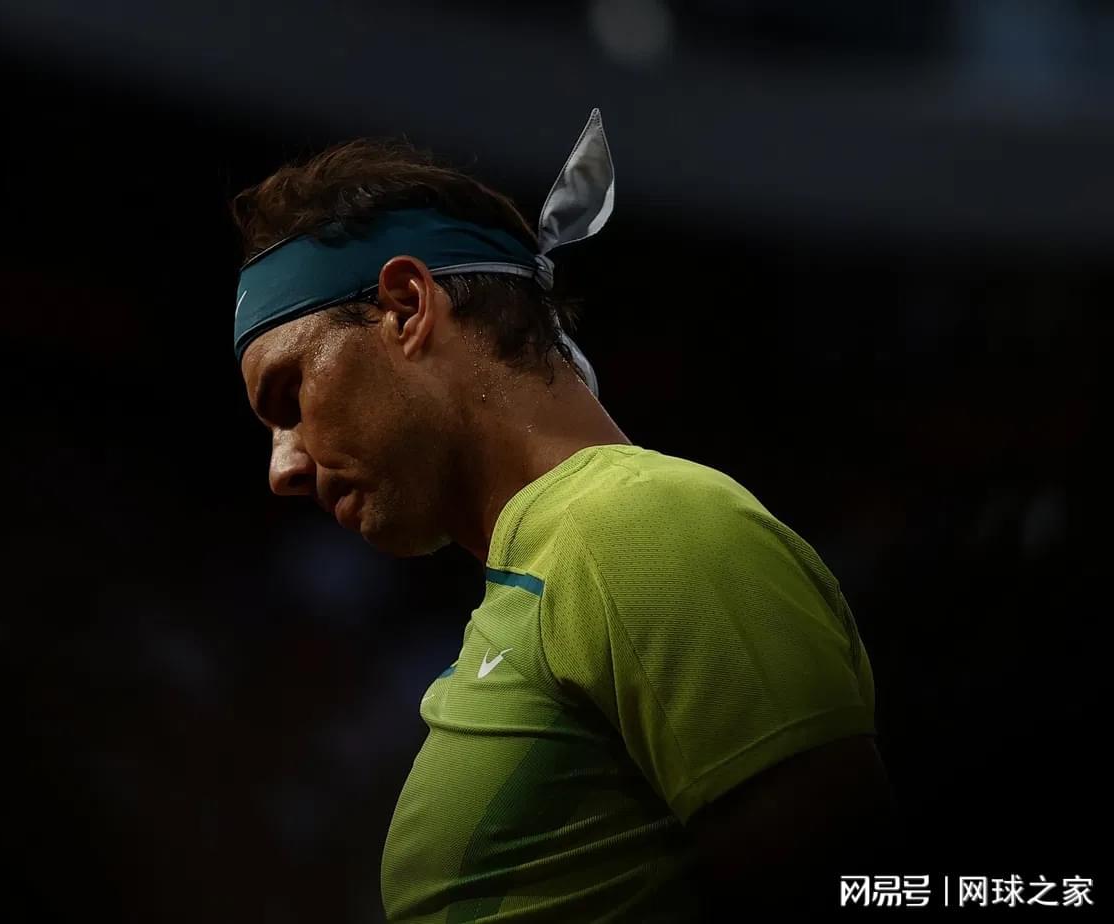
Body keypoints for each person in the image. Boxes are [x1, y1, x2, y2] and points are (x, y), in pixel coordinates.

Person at [229, 110, 896, 920]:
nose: (285, 468)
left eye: (290, 396)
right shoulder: (555, 566)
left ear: (406, 307)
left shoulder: (639, 526)